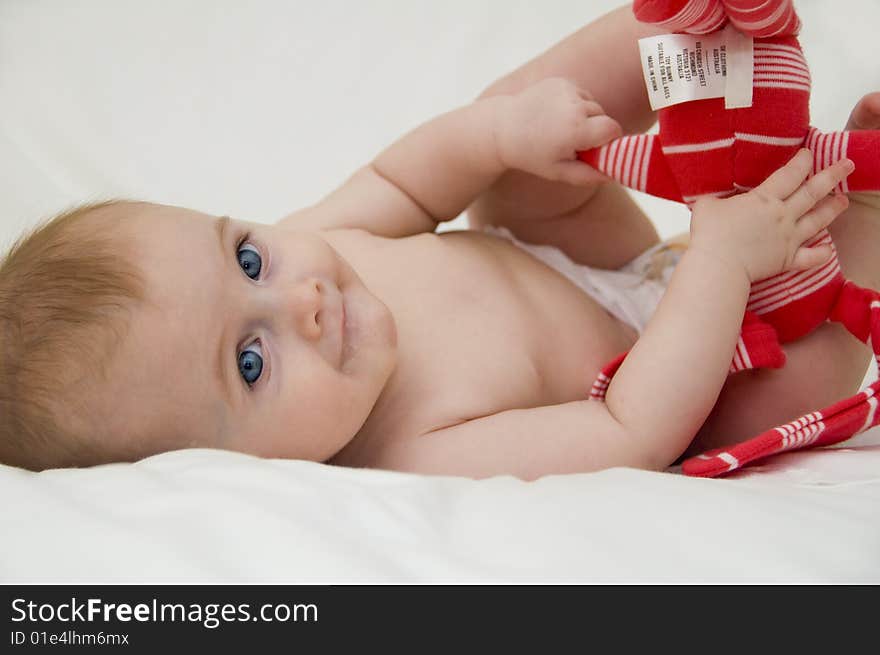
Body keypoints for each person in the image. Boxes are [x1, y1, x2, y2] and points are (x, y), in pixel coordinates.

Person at [1, 4, 877, 479]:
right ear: (227, 470)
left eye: (247, 258)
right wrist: (717, 267)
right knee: (776, 400)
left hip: (578, 246)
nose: (299, 300)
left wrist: (498, 139)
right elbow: (629, 429)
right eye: (251, 362)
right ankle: (865, 208)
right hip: (679, 356)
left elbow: (405, 184)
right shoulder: (416, 448)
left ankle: (685, 33)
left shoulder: (314, 242)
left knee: (517, 124)